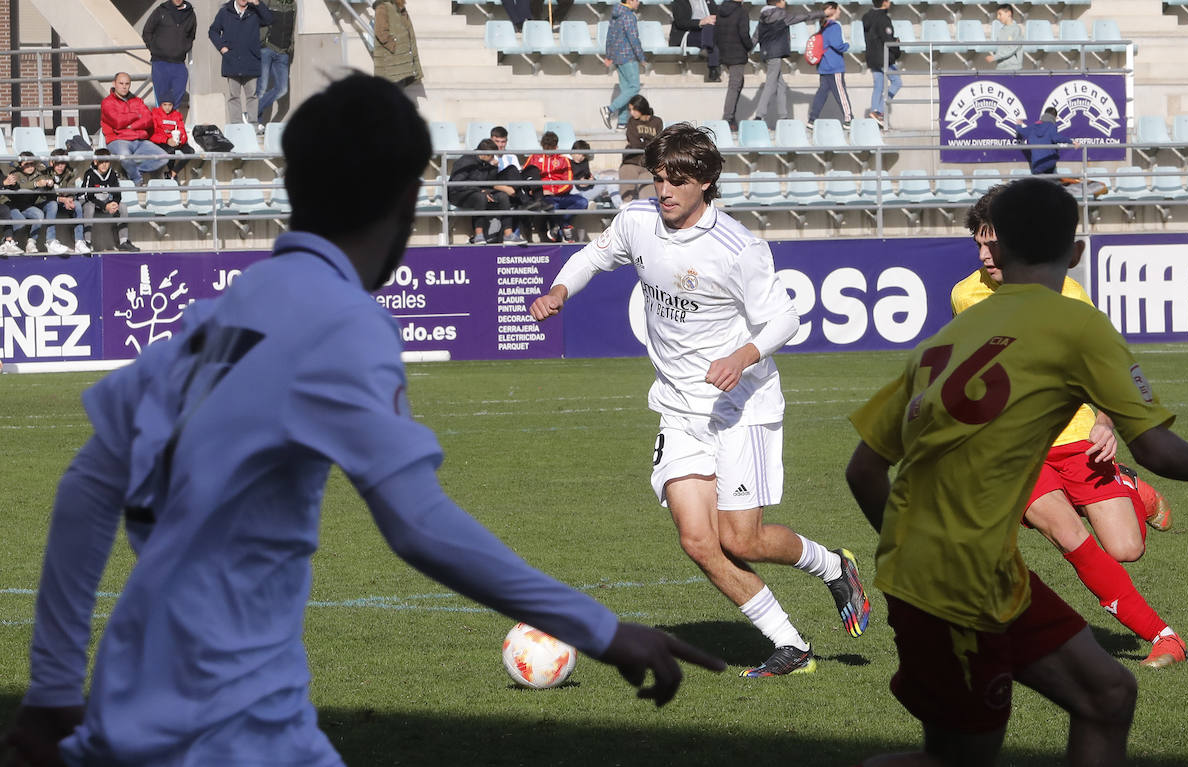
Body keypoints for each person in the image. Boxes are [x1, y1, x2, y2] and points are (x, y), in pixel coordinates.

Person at [0, 74, 724, 767]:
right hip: (234, 727)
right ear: (408, 197)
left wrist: (57, 688)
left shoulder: (224, 307)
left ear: (292, 183)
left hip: (128, 706)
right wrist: (602, 629)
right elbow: (419, 525)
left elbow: (89, 485)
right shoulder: (342, 321)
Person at [844, 176, 1188, 767]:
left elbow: (863, 470)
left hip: (982, 570)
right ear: (1075, 254)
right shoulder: (1076, 324)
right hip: (954, 582)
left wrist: (908, 545)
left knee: (1108, 692)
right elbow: (1159, 449)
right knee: (963, 757)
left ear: (998, 247)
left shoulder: (944, 340)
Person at [529, 123, 872, 678]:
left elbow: (785, 317)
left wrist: (743, 356)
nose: (663, 190)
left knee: (743, 539)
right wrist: (560, 288)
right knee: (698, 540)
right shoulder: (638, 222)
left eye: (677, 181)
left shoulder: (738, 248)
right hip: (679, 409)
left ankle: (833, 566)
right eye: (658, 178)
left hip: (741, 408)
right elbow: (593, 256)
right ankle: (791, 645)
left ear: (706, 182)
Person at [953, 184, 1185, 669]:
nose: (982, 254)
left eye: (991, 244)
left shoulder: (1066, 292)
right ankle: (1164, 637)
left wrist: (1106, 420)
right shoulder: (965, 295)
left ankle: (1127, 484)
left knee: (1125, 549)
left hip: (1076, 437)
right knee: (1064, 534)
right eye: (977, 242)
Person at [751, 0, 824, 125]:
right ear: (778, 2)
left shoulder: (763, 16)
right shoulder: (781, 14)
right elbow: (802, 17)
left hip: (766, 54)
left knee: (781, 85)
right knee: (770, 84)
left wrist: (746, 50)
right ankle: (759, 116)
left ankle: (783, 116)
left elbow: (756, 36)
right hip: (775, 54)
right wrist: (822, 13)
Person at [447, 138, 524, 245]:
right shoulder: (466, 161)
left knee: (502, 196)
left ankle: (508, 234)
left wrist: (493, 168)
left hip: (478, 190)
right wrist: (481, 190)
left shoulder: (486, 162)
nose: (494, 157)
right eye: (492, 155)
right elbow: (457, 183)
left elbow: (488, 182)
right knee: (480, 197)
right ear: (485, 154)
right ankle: (479, 235)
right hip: (458, 194)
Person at [209, 0, 273, 127]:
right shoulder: (225, 12)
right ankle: (236, 127)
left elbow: (269, 19)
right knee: (234, 96)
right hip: (232, 61)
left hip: (251, 60)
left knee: (252, 97)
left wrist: (257, 3)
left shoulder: (254, 11)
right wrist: (222, 48)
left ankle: (253, 125)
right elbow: (213, 31)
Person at [100, 72, 170, 185]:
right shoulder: (107, 102)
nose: (124, 86)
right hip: (118, 140)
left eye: (127, 83)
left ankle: (129, 170)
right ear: (114, 84)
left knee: (164, 157)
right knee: (125, 156)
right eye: (121, 83)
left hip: (139, 140)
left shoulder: (137, 101)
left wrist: (132, 126)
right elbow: (117, 122)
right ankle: (137, 179)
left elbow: (148, 119)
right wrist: (136, 115)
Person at [523, 130, 589, 242]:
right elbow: (525, 175)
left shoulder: (563, 160)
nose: (548, 150)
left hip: (562, 195)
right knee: (553, 206)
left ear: (556, 147)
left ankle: (560, 225)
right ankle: (563, 227)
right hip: (545, 197)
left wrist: (555, 191)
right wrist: (537, 191)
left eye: (551, 148)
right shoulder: (534, 158)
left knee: (583, 202)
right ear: (542, 146)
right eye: (546, 147)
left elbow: (568, 183)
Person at [79, 148, 140, 253]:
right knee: (89, 207)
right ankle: (87, 242)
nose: (104, 165)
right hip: (90, 202)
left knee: (122, 207)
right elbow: (88, 196)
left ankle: (123, 242)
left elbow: (118, 194)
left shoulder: (113, 174)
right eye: (101, 162)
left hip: (104, 202)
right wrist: (104, 206)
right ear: (95, 162)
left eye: (106, 161)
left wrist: (114, 203)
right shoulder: (90, 174)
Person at [141, 0, 198, 111]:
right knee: (161, 100)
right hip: (160, 63)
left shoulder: (190, 14)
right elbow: (147, 31)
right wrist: (155, 48)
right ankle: (162, 125)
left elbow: (191, 35)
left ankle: (172, 124)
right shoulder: (160, 10)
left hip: (179, 63)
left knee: (178, 94)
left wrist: (184, 48)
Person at [600, 0, 646, 130]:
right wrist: (641, 57)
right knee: (634, 87)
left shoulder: (616, 14)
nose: (639, 3)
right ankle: (609, 109)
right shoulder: (629, 16)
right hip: (628, 57)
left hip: (618, 58)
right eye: (637, 0)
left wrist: (609, 55)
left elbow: (610, 36)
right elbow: (634, 38)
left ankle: (622, 122)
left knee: (626, 91)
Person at [807, 2, 852, 129]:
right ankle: (849, 119)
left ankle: (812, 119)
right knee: (841, 93)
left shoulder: (823, 26)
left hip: (823, 67)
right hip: (834, 67)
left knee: (821, 94)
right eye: (838, 9)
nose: (840, 12)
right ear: (832, 10)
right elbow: (837, 45)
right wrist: (847, 45)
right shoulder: (834, 26)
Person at [371, 0, 425, 98]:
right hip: (390, 65)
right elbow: (381, 32)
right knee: (391, 100)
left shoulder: (398, 6)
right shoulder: (382, 7)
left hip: (400, 64)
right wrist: (394, 46)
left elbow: (409, 33)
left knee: (397, 98)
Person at [862, 0, 901, 130]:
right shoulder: (884, 19)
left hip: (871, 56)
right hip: (883, 57)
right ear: (884, 2)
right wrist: (897, 47)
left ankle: (874, 112)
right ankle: (878, 111)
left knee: (878, 85)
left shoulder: (866, 17)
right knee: (897, 82)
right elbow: (888, 41)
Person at [257, 0, 296, 127]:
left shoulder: (293, 4)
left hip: (283, 52)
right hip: (267, 48)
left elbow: (293, 26)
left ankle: (253, 112)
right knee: (262, 87)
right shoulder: (269, 2)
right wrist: (262, 41)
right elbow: (259, 19)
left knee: (282, 89)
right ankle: (257, 123)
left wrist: (291, 47)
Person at [715, 0, 753, 130]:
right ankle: (727, 119)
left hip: (724, 51)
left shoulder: (720, 10)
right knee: (734, 85)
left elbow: (716, 32)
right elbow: (744, 34)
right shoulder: (742, 12)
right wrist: (749, 46)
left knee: (738, 83)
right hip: (737, 53)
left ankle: (732, 118)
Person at [619, 94, 663, 203]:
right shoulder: (632, 122)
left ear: (641, 108)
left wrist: (643, 141)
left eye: (634, 109)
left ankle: (646, 212)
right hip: (632, 161)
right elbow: (634, 143)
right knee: (626, 174)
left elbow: (658, 142)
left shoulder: (657, 121)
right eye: (630, 110)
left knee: (647, 193)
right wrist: (649, 142)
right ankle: (627, 208)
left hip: (649, 163)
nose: (631, 113)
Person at [42, 150, 87, 255]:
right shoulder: (46, 173)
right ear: (52, 163)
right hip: (48, 202)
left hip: (63, 201)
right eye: (58, 163)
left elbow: (70, 190)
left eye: (63, 163)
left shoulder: (69, 172)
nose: (61, 166)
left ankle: (79, 241)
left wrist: (70, 199)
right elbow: (46, 195)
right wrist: (63, 199)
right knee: (52, 205)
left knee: (77, 205)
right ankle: (50, 241)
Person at [5, 153, 50, 254]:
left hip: (26, 206)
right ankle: (6, 243)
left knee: (39, 214)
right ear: (20, 165)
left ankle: (31, 242)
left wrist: (49, 182)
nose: (30, 167)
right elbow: (19, 186)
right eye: (26, 164)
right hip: (13, 205)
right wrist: (35, 184)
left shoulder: (38, 174)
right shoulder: (15, 173)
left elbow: (47, 179)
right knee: (19, 222)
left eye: (32, 164)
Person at [1013, 107, 1078, 176]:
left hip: (1037, 165)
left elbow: (1021, 131)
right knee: (1053, 183)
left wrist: (1018, 124)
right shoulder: (1051, 126)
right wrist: (1071, 141)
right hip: (1049, 163)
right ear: (1054, 117)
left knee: (1040, 185)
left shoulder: (1033, 127)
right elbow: (1057, 138)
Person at [670, 0, 720, 82]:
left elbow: (716, 15)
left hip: (708, 31)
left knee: (711, 31)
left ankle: (706, 49)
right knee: (711, 37)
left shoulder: (708, 1)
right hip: (688, 33)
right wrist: (701, 22)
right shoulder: (680, 1)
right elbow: (681, 23)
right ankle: (713, 69)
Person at [151, 98, 197, 180]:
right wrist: (167, 140)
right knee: (170, 150)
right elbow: (152, 134)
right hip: (162, 142)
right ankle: (171, 176)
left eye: (170, 105)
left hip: (175, 141)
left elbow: (182, 131)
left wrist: (180, 140)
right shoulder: (155, 114)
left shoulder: (177, 115)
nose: (167, 107)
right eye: (165, 105)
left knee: (190, 152)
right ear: (161, 105)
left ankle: (172, 173)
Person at [986, 3, 1024, 71]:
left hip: (1013, 68)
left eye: (1000, 14)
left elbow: (1011, 49)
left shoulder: (1016, 29)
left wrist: (994, 57)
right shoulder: (1001, 30)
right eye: (997, 15)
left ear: (1009, 13)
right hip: (1000, 68)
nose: (998, 17)